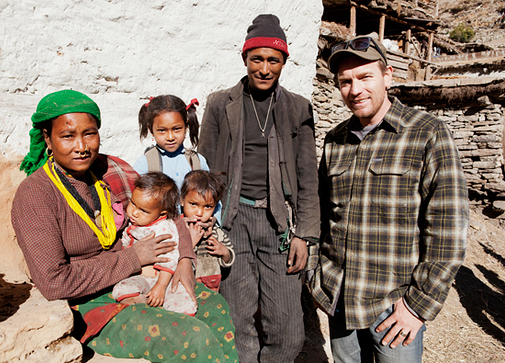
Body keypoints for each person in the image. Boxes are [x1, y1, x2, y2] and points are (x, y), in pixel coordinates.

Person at [11, 89, 238, 362]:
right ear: (47, 138)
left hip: (145, 278)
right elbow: (54, 281)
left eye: (90, 133)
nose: (82, 146)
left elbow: (169, 212)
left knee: (215, 309)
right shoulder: (36, 194)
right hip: (90, 300)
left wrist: (186, 261)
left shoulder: (112, 169)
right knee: (192, 336)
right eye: (68, 136)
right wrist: (133, 257)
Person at [310, 34, 469, 363]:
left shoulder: (427, 133)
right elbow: (321, 213)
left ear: (387, 76)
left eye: (365, 77)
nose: (355, 90)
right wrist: (317, 277)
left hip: (394, 306)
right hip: (340, 296)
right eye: (345, 81)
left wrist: (418, 305)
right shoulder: (334, 140)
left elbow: (448, 228)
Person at [199, 14, 320, 362]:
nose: (264, 68)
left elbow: (308, 176)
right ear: (244, 58)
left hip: (278, 223)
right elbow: (205, 170)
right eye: (257, 59)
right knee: (236, 320)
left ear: (283, 62)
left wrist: (305, 235)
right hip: (233, 221)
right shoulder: (221, 104)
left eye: (273, 60)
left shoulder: (298, 108)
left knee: (288, 329)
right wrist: (207, 224)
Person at [112, 172, 197, 316]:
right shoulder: (135, 224)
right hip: (141, 279)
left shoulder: (164, 229)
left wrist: (160, 286)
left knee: (182, 302)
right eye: (133, 203)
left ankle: (173, 315)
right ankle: (144, 306)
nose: (134, 212)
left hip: (164, 279)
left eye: (143, 210)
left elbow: (169, 259)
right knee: (121, 289)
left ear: (162, 213)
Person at [134, 94, 221, 227]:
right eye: (162, 130)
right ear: (151, 130)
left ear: (186, 127)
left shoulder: (197, 162)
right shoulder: (145, 164)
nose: (170, 137)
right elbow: (138, 206)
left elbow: (212, 196)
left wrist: (214, 219)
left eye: (176, 129)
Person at [180, 170, 235, 292]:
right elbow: (171, 259)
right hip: (183, 291)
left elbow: (230, 256)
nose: (199, 213)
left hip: (211, 291)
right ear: (182, 200)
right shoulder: (177, 229)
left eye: (208, 207)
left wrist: (224, 252)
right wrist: (190, 243)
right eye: (193, 204)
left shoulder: (214, 232)